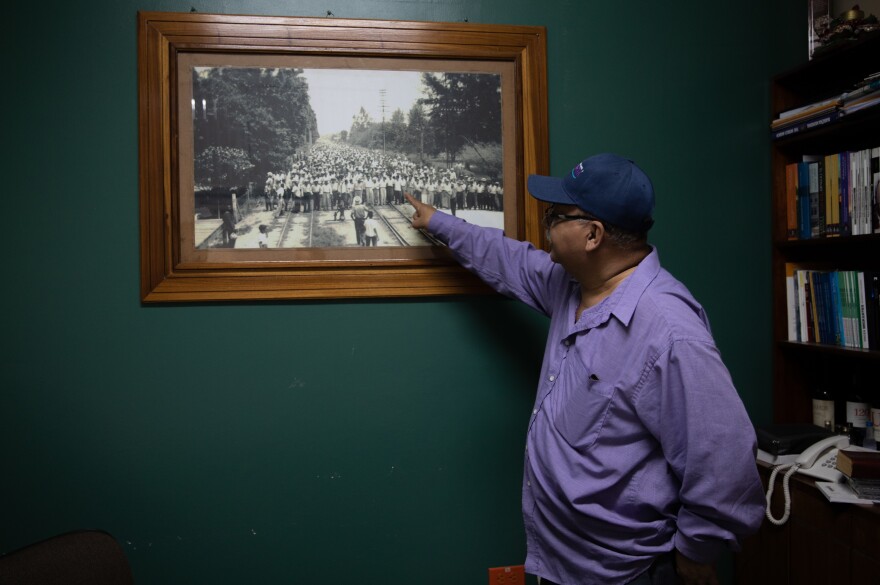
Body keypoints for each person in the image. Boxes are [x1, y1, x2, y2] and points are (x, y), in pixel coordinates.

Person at [404, 153, 764, 585]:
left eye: (555, 216)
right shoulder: (573, 286)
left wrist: (697, 549)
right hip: (562, 564)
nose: (546, 225)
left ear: (593, 235)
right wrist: (439, 222)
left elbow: (724, 459)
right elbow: (509, 259)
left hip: (626, 575)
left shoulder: (669, 332)